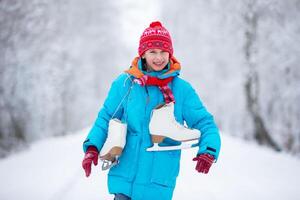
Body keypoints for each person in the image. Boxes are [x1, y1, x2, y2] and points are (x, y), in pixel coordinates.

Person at [82, 21, 221, 200]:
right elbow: (105, 117)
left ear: (170, 53)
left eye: (163, 52)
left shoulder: (181, 89)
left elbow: (205, 123)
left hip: (158, 184)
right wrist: (92, 147)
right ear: (143, 54)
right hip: (124, 180)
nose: (159, 57)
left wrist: (208, 150)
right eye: (152, 52)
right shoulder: (125, 84)